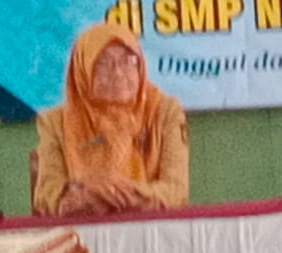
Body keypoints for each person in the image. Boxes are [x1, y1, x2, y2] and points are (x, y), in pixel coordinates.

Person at [32, 22, 190, 215]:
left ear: (140, 65)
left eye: (128, 60)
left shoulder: (165, 112)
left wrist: (121, 195)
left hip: (151, 226)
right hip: (83, 226)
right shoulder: (54, 122)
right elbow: (46, 194)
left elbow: (176, 189)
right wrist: (80, 197)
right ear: (82, 70)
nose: (118, 73)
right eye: (103, 63)